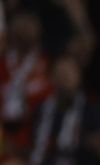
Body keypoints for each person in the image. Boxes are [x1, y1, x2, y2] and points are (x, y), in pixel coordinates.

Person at [0, 8, 51, 157]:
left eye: (30, 24)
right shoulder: (2, 63)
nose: (24, 29)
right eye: (20, 23)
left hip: (34, 143)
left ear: (39, 29)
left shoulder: (48, 65)